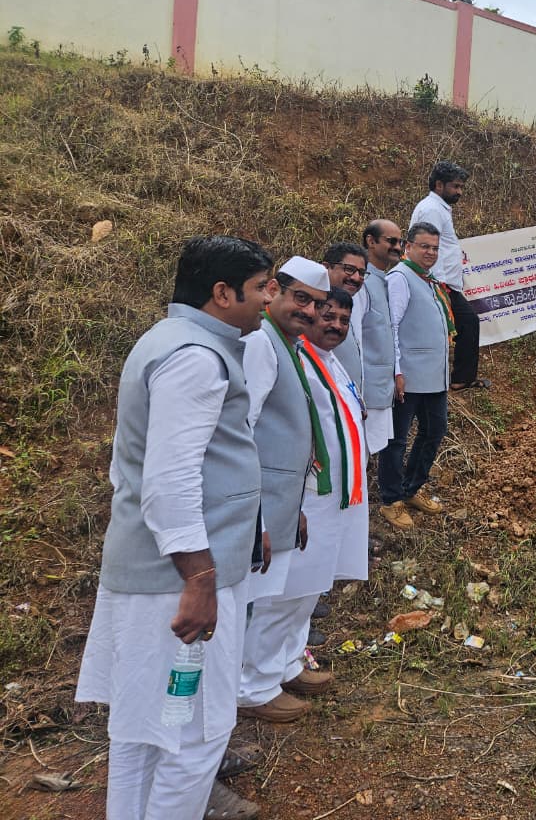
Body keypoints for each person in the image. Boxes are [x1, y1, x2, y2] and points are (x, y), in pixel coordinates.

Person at [76, 235, 272, 820]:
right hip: (179, 580)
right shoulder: (196, 359)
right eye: (260, 287)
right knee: (195, 733)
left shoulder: (168, 340)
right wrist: (200, 579)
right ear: (222, 293)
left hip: (154, 569)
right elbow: (169, 480)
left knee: (145, 730)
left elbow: (129, 470)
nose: (269, 298)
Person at [244, 289, 368, 713]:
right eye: (327, 316)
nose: (335, 325)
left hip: (337, 497)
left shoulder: (330, 360)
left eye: (344, 321)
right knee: (284, 592)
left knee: (310, 589)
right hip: (307, 496)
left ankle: (287, 664)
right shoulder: (293, 358)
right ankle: (254, 685)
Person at [237, 256, 332, 724]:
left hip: (282, 500)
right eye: (301, 299)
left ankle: (274, 671)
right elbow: (242, 430)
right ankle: (250, 689)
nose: (309, 311)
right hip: (259, 504)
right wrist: (255, 515)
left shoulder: (286, 344)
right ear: (274, 290)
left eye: (317, 304)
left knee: (278, 594)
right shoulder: (261, 344)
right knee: (262, 601)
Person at [379, 222, 453, 528]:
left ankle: (411, 488)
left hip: (434, 377)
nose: (431, 253)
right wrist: (396, 370)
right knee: (396, 440)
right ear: (408, 247)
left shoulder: (428, 280)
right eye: (424, 246)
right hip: (408, 376)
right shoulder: (400, 278)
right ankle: (391, 500)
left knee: (434, 431)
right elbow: (391, 327)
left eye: (435, 248)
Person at [409, 160, 488, 392]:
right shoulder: (432, 210)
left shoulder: (438, 208)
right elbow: (428, 248)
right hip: (439, 284)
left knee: (458, 326)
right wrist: (437, 285)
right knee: (468, 322)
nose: (459, 192)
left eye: (461, 187)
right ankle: (459, 378)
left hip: (444, 283)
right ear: (439, 185)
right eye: (455, 186)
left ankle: (456, 377)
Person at [358, 219, 402, 457]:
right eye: (391, 241)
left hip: (382, 389)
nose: (397, 247)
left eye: (400, 242)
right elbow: (353, 340)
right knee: (359, 456)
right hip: (366, 392)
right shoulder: (361, 283)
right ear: (371, 241)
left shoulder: (382, 280)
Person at [322, 242, 369, 396]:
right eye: (349, 269)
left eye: (361, 273)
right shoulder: (312, 309)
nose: (356, 278)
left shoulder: (354, 303)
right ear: (326, 267)